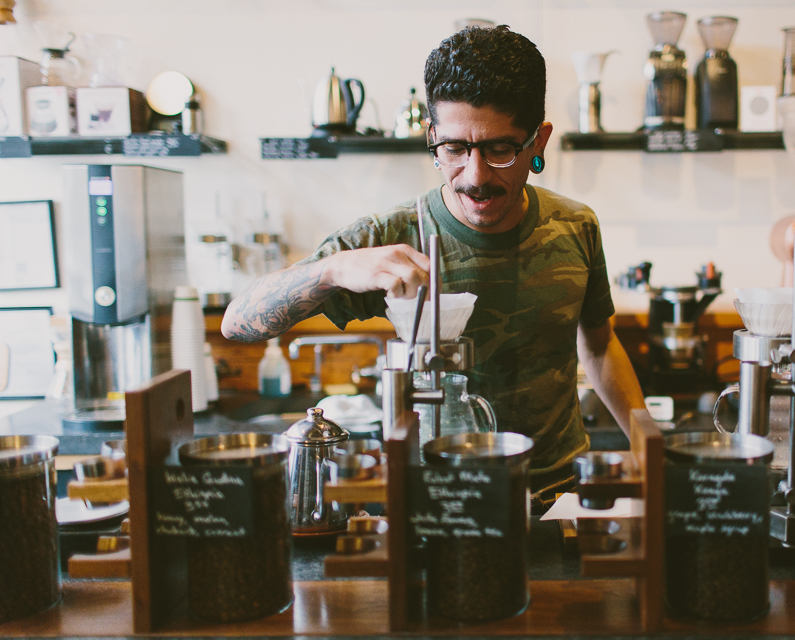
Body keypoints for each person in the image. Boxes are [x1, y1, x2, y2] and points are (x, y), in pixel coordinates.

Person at [222, 25, 645, 512]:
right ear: (431, 135)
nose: (476, 176)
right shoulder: (388, 237)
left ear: (538, 140)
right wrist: (332, 269)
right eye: (454, 149)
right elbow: (237, 324)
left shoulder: (575, 226)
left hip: (556, 496)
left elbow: (599, 344)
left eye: (500, 149)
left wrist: (644, 441)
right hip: (438, 504)